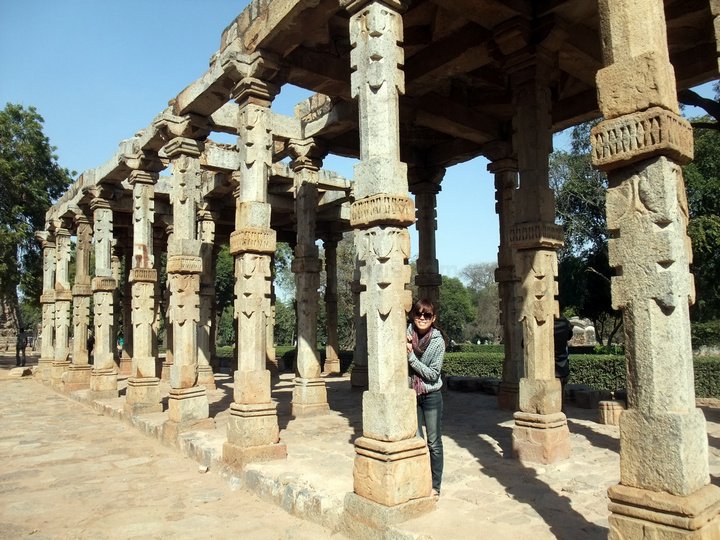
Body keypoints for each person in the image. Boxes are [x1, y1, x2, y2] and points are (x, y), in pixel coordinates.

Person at [406, 298, 446, 501]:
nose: (422, 318)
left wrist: (411, 358)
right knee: (416, 440)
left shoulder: (438, 342)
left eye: (427, 315)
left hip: (431, 395)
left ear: (433, 318)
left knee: (434, 442)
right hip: (411, 394)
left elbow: (432, 374)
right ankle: (418, 482)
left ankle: (435, 486)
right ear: (413, 315)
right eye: (418, 314)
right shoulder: (405, 334)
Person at [554, 315, 572, 411]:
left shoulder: (550, 324)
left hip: (551, 367)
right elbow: (569, 336)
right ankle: (561, 409)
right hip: (563, 363)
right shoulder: (565, 323)